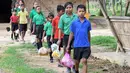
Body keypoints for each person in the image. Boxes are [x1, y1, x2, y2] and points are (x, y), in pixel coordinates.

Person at [66, 4, 91, 73]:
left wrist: (89, 44)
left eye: (83, 11)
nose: (81, 12)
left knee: (84, 61)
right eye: (80, 11)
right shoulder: (74, 23)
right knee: (76, 61)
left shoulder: (88, 23)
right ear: (77, 12)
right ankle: (76, 70)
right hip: (77, 45)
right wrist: (68, 45)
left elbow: (88, 33)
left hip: (86, 45)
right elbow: (71, 34)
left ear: (85, 12)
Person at [58, 2, 78, 73]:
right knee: (67, 51)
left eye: (70, 7)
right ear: (65, 9)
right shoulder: (62, 17)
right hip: (66, 36)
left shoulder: (76, 16)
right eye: (67, 8)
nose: (68, 9)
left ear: (72, 8)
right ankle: (68, 67)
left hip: (76, 36)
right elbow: (60, 29)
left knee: (76, 51)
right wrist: (59, 39)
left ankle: (75, 67)